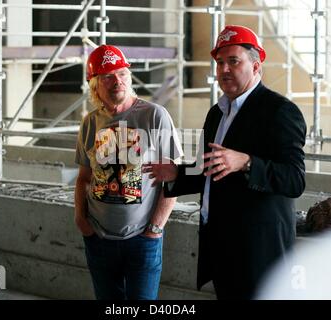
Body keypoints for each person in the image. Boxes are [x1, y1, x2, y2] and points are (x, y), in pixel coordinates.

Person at [143, 25, 307, 300]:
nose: (224, 69)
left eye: (234, 61)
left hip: (259, 253)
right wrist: (175, 173)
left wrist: (247, 162)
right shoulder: (217, 113)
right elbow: (209, 168)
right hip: (220, 245)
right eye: (219, 62)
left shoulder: (280, 111)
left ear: (256, 66)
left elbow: (294, 180)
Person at [74, 44, 183, 300]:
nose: (117, 81)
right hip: (98, 237)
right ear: (95, 86)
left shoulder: (155, 115)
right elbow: (83, 178)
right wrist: (81, 219)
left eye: (122, 73)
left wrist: (155, 228)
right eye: (108, 76)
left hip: (142, 240)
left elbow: (175, 177)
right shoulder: (90, 123)